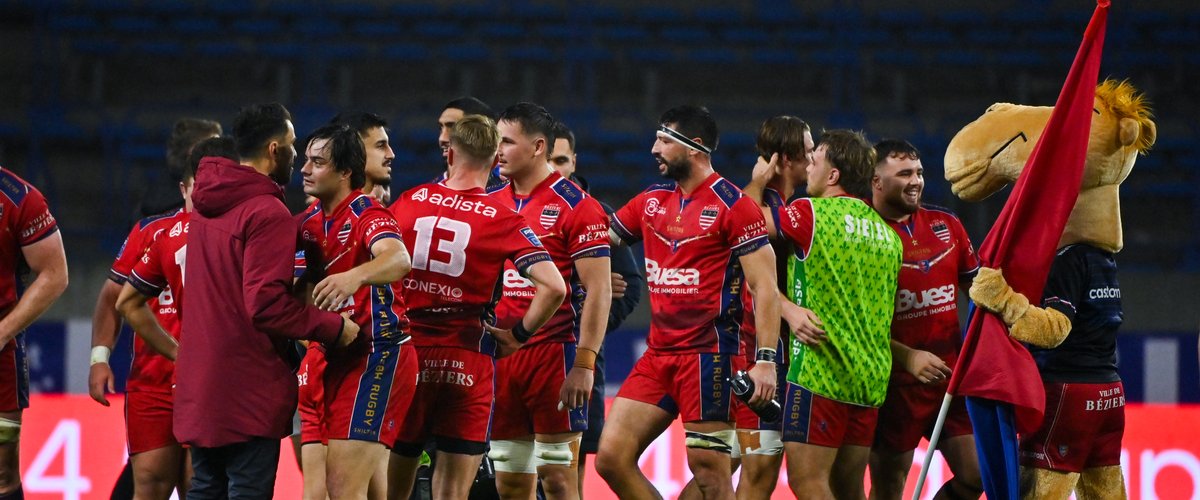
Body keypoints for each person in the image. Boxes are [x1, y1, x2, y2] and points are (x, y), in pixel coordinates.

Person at [595, 105, 780, 500]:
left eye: (664, 140)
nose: (653, 149)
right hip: (659, 354)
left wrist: (764, 359)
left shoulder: (734, 205)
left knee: (710, 477)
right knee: (610, 457)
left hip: (709, 358)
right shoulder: (651, 200)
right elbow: (598, 240)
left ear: (695, 148)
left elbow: (764, 287)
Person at [176, 102, 360, 499]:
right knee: (247, 492)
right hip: (247, 386)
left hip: (201, 382)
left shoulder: (205, 206)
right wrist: (334, 327)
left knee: (205, 488)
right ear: (275, 149)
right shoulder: (266, 211)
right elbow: (265, 304)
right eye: (294, 145)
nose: (298, 155)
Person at [387, 114, 567, 500]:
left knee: (393, 486)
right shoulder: (503, 218)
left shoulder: (409, 202)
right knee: (451, 492)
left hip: (408, 354)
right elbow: (554, 287)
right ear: (494, 157)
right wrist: (518, 336)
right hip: (467, 357)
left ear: (450, 153)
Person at [744, 129, 901, 499]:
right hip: (870, 380)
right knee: (848, 488)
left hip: (819, 375)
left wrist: (757, 182)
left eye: (815, 162)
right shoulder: (888, 234)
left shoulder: (809, 213)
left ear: (833, 176)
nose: (809, 167)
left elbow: (745, 224)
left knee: (808, 482)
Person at [488, 104, 612, 500]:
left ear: (538, 146)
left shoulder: (578, 206)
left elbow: (600, 290)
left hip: (553, 358)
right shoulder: (490, 203)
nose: (498, 151)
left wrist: (584, 365)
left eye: (507, 142)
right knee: (509, 484)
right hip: (500, 358)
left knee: (558, 482)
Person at [110, 137, 237, 500]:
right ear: (185, 188)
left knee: (201, 483)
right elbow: (117, 299)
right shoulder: (153, 233)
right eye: (200, 185)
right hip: (153, 379)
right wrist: (99, 356)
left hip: (211, 383)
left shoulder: (237, 233)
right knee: (150, 482)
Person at [295, 124, 418, 499]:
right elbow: (299, 294)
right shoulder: (308, 224)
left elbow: (399, 258)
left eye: (317, 162)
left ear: (345, 172)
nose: (305, 169)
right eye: (305, 160)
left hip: (378, 354)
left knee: (343, 488)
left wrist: (353, 278)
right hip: (331, 358)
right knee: (340, 491)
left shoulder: (366, 211)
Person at [866, 139, 982, 500]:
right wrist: (908, 357)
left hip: (950, 381)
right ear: (876, 181)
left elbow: (977, 292)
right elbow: (857, 325)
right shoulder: (862, 233)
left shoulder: (946, 224)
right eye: (904, 174)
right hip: (892, 387)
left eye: (918, 172)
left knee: (977, 476)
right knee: (888, 489)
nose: (916, 180)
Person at [547, 122, 644, 497]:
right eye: (549, 160)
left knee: (572, 470)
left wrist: (590, 316)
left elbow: (631, 287)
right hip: (524, 354)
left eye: (562, 160)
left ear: (574, 162)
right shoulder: (516, 210)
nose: (555, 169)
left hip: (583, 357)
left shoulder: (598, 215)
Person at [0, 165, 69, 499]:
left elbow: (55, 274)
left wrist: (1, 333)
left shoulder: (20, 198)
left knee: (2, 474)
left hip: (1, 356)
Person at [436, 96, 507, 193]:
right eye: (441, 128)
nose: (442, 139)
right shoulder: (427, 195)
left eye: (453, 128)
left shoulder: (511, 187)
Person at [330, 112, 395, 204]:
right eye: (380, 146)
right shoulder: (315, 215)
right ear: (354, 151)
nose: (391, 155)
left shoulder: (396, 210)